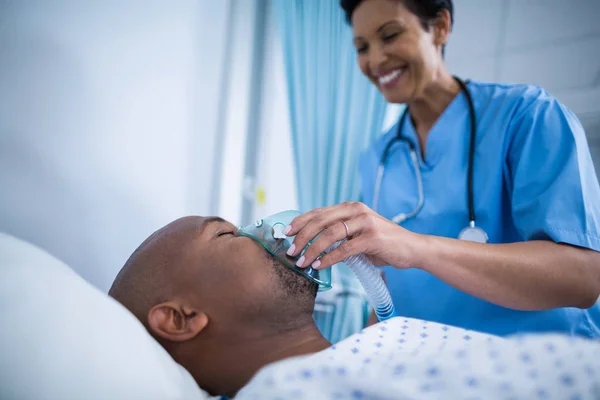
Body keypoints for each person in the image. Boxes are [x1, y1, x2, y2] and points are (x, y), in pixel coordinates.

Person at [283, 0, 600, 338]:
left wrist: (415, 247)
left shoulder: (528, 117)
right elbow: (388, 292)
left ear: (440, 27)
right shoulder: (377, 158)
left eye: (390, 35)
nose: (375, 60)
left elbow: (582, 279)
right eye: (362, 47)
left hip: (533, 365)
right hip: (430, 369)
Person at [108, 215, 600, 399]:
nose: (262, 228)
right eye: (227, 233)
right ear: (180, 319)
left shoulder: (369, 351)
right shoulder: (288, 392)